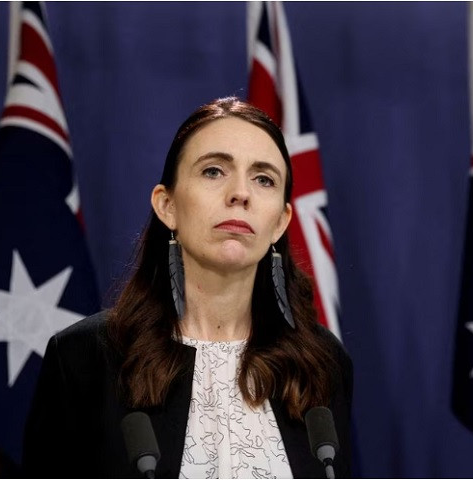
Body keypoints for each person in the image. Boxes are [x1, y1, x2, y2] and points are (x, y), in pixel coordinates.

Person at [22, 97, 353, 478]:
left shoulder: (322, 362)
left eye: (264, 179)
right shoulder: (85, 357)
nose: (240, 193)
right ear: (167, 206)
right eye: (214, 171)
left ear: (280, 221)